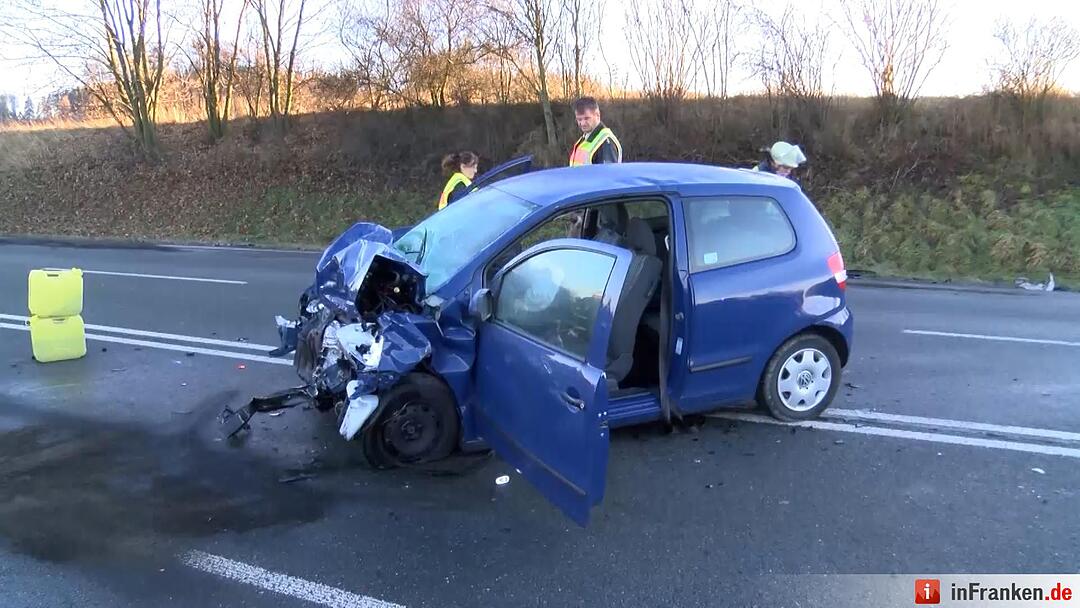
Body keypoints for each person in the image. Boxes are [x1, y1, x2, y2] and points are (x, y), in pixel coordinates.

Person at [568, 97, 622, 166]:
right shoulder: (585, 138)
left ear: (597, 115)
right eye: (579, 119)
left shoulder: (605, 142)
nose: (582, 123)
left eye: (586, 118)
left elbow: (608, 174)